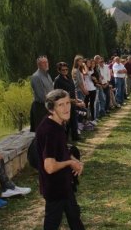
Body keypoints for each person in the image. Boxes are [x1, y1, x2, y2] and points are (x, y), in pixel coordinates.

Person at [35, 89, 85, 230]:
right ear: (52, 109)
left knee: (74, 216)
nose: (66, 108)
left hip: (64, 183)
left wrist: (73, 159)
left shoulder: (58, 124)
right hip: (55, 187)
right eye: (61, 105)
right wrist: (70, 163)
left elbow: (59, 151)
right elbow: (49, 167)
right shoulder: (49, 130)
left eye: (67, 103)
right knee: (52, 223)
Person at [54, 62, 85, 142]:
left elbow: (73, 88)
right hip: (64, 103)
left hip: (72, 102)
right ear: (59, 71)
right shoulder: (58, 80)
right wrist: (69, 100)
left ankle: (75, 136)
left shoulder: (69, 77)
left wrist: (76, 99)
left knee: (73, 120)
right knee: (65, 122)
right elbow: (58, 93)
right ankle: (65, 139)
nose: (65, 71)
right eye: (63, 70)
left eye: (66, 69)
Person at [30, 55, 54, 132]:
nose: (46, 64)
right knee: (42, 129)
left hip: (49, 105)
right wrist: (50, 106)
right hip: (41, 107)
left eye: (46, 62)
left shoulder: (47, 75)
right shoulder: (36, 77)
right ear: (39, 65)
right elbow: (41, 95)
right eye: (43, 63)